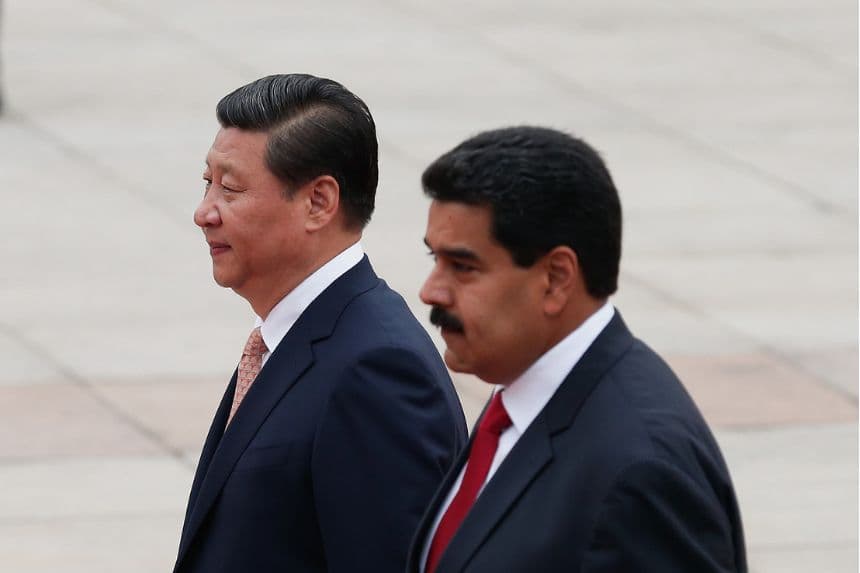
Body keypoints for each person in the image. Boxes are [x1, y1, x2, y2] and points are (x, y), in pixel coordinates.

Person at [408, 126, 747, 572]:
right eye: (435, 260)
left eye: (463, 267)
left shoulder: (637, 472)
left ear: (556, 278)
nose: (431, 292)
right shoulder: (521, 401)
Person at [174, 74, 467, 573]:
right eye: (207, 183)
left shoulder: (377, 371)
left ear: (318, 202)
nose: (204, 212)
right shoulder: (287, 339)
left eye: (230, 188)